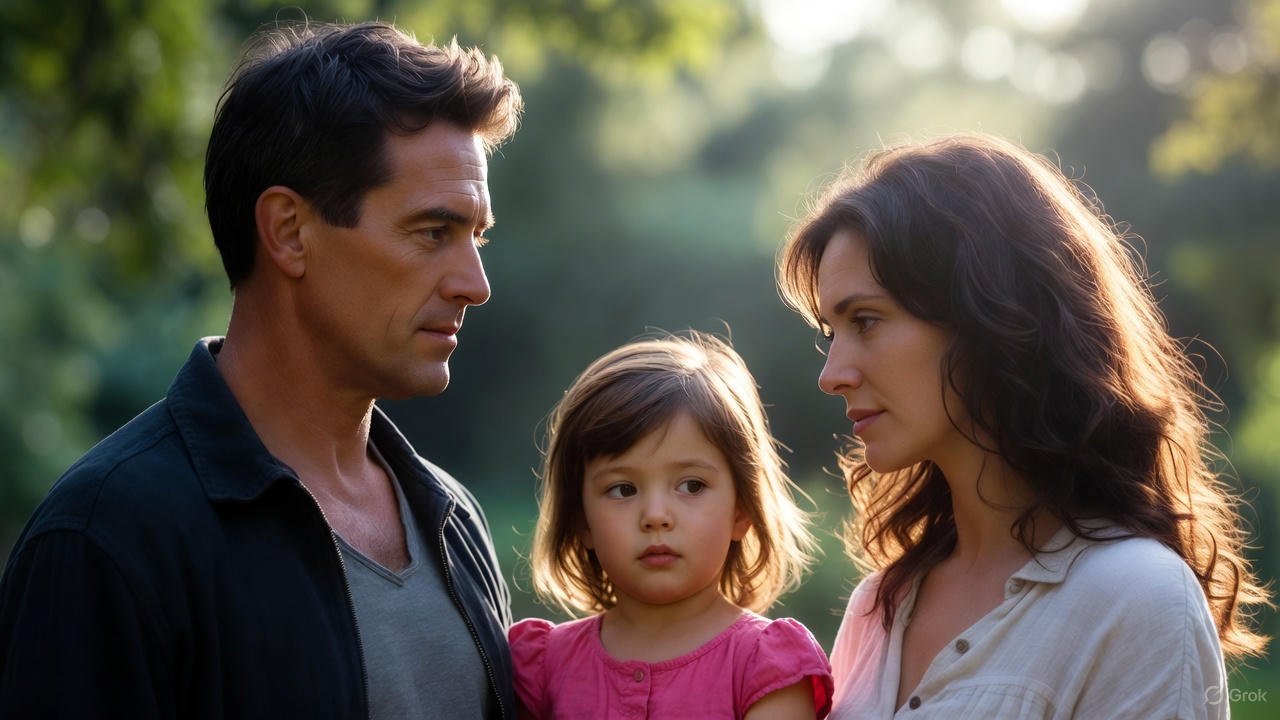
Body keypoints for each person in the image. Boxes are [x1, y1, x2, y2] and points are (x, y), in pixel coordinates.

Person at [0, 21, 523, 719]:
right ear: (288, 231)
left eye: (476, 237)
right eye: (434, 232)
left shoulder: (454, 518)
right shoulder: (107, 538)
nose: (475, 282)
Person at [776, 133, 1270, 719]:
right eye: (830, 333)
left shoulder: (1136, 598)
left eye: (866, 320)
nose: (831, 375)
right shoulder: (877, 606)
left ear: (988, 314)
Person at [509, 332, 834, 719]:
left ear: (741, 510)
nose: (656, 515)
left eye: (691, 485)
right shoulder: (543, 666)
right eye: (622, 489)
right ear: (581, 521)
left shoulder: (766, 664)